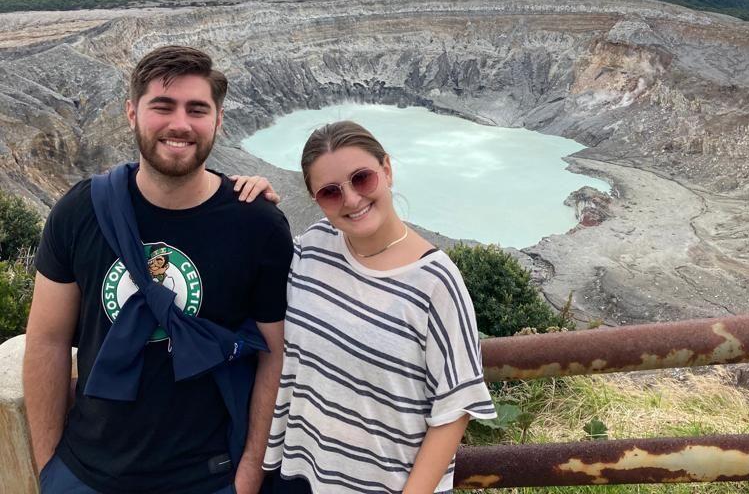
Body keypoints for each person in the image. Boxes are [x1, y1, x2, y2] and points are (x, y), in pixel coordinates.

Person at [23, 45, 294, 494]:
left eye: (197, 109)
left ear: (219, 120)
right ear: (131, 113)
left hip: (208, 475)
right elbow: (48, 339)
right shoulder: (81, 211)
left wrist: (248, 473)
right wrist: (49, 466)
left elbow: (273, 353)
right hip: (85, 473)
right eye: (162, 106)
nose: (180, 124)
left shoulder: (257, 225)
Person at [249, 120, 496, 493]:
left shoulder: (436, 282)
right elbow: (254, 270)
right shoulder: (311, 248)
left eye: (362, 179)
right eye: (331, 192)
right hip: (298, 476)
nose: (351, 199)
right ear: (315, 199)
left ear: (387, 170)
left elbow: (455, 408)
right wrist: (247, 203)